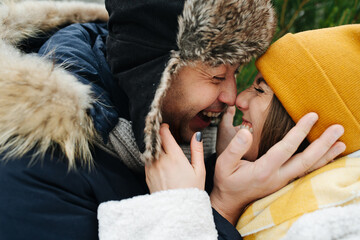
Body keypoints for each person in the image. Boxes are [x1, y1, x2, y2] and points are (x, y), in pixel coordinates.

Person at [0, 1, 345, 240]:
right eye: (215, 76)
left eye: (236, 73)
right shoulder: (33, 171)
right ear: (156, 69)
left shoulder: (174, 133)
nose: (231, 97)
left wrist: (214, 167)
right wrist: (218, 208)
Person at [214, 24, 359, 239]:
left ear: (303, 125)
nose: (240, 99)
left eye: (260, 89)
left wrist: (224, 205)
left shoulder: (314, 226)